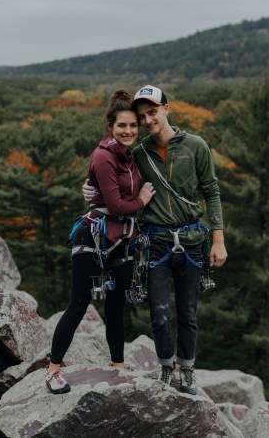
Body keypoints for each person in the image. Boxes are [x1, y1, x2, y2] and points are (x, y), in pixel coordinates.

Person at [84, 85, 227, 395]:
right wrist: (91, 189)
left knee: (188, 313)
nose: (148, 120)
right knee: (159, 314)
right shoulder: (138, 154)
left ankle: (187, 370)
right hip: (155, 242)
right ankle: (166, 368)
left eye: (152, 112)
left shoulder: (196, 146)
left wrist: (218, 239)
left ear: (166, 109)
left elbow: (212, 191)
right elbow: (113, 178)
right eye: (142, 116)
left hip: (191, 240)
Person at [45, 90, 156, 394]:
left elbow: (117, 197)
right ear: (110, 126)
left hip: (122, 239)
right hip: (93, 236)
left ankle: (118, 365)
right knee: (78, 304)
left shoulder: (130, 155)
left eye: (133, 125)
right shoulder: (103, 156)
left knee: (116, 306)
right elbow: (117, 206)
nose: (128, 131)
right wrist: (141, 201)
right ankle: (53, 369)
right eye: (122, 126)